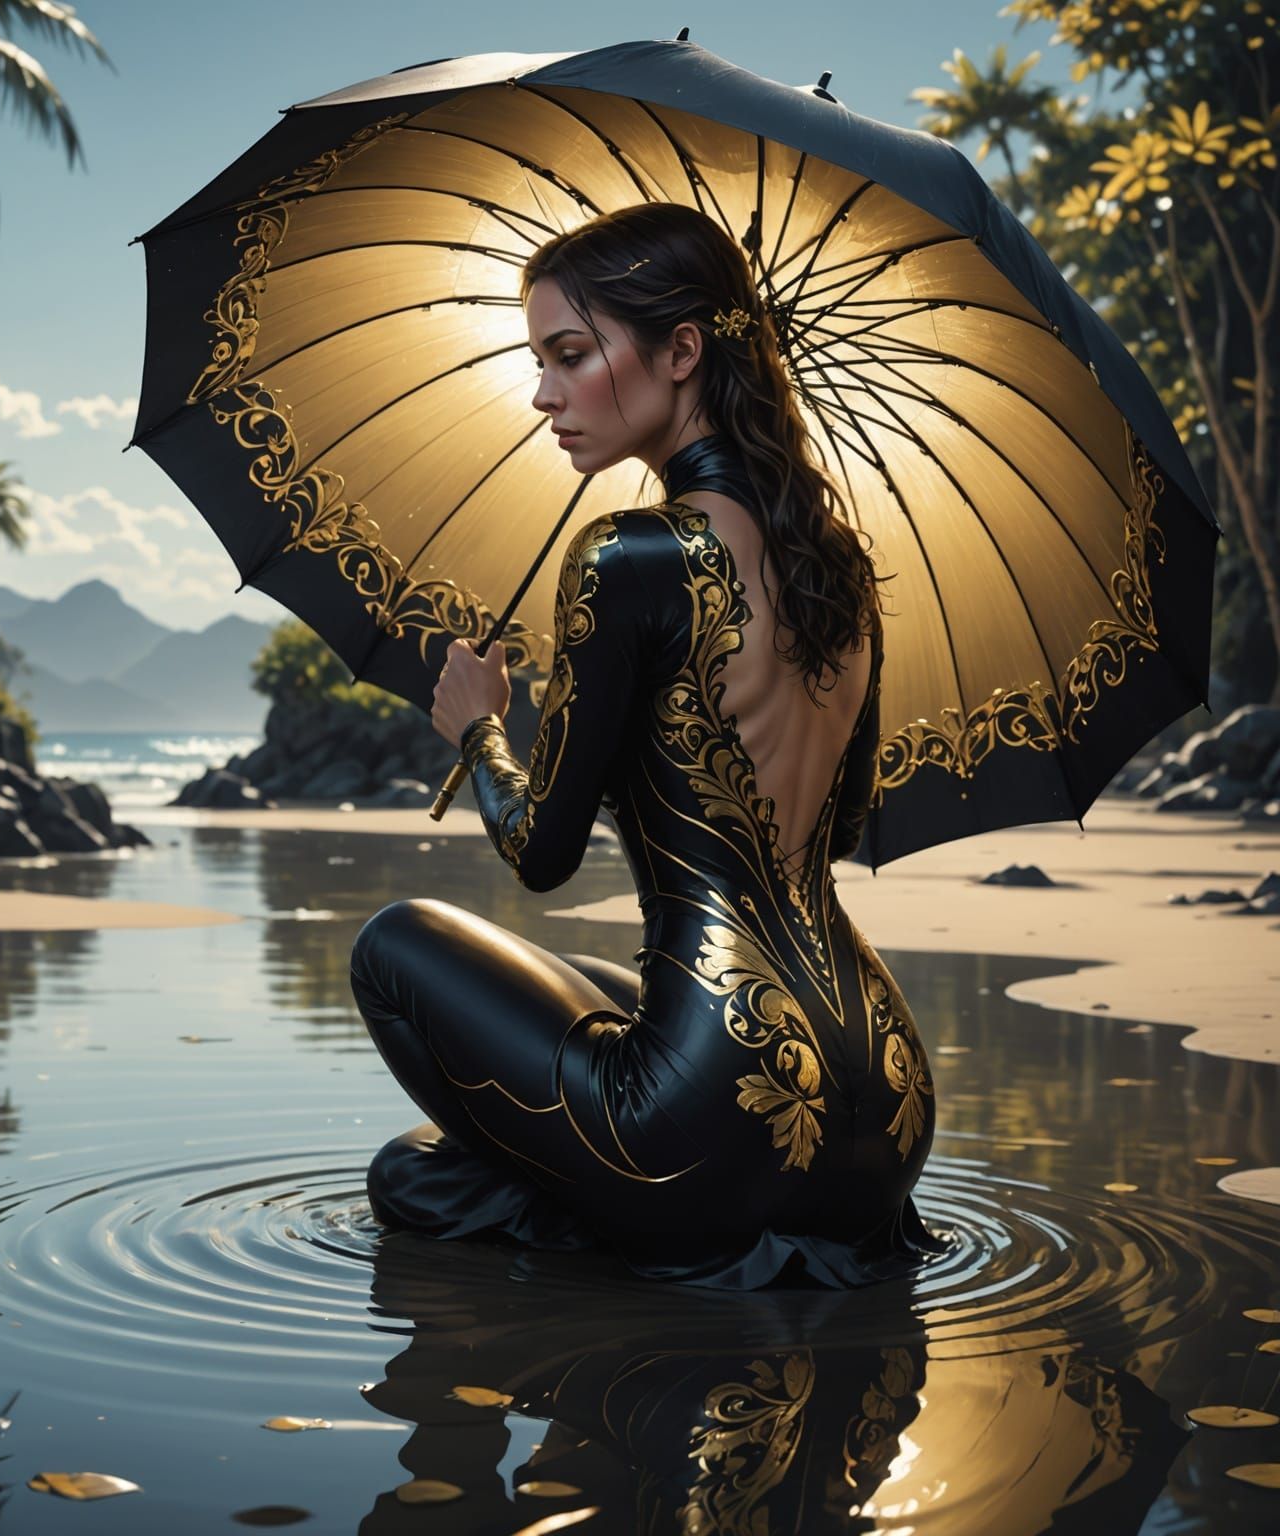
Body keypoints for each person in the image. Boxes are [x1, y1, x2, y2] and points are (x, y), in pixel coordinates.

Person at [349, 202, 939, 1288]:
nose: (543, 394)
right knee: (586, 997)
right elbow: (844, 823)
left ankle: (631, 1223)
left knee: (394, 956)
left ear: (680, 352)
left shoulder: (627, 556)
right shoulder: (842, 568)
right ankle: (651, 1207)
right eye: (540, 361)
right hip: (886, 1110)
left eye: (570, 355)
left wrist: (479, 730)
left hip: (712, 1116)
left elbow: (542, 853)